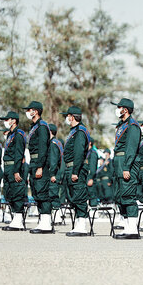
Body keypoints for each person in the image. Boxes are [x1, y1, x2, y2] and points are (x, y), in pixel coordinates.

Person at [112, 98, 142, 239]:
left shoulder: (132, 125)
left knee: (128, 195)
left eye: (119, 107)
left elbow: (131, 147)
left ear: (125, 109)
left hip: (126, 163)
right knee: (120, 196)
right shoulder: (122, 125)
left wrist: (126, 167)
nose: (117, 109)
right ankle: (126, 227)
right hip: (119, 162)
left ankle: (133, 229)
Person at [22, 101, 54, 234]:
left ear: (35, 111)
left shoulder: (41, 126)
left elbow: (42, 148)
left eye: (30, 110)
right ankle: (42, 221)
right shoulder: (34, 126)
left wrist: (40, 166)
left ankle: (46, 223)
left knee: (42, 193)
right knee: (36, 192)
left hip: (39, 163)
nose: (28, 112)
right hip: (34, 162)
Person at [61, 106, 92, 237]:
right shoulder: (74, 131)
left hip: (76, 168)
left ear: (72, 117)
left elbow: (79, 153)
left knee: (79, 196)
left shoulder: (80, 131)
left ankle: (82, 226)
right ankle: (78, 224)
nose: (67, 119)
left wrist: (75, 171)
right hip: (71, 167)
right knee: (74, 196)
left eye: (68, 116)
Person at [0, 111, 28, 231]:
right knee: (9, 192)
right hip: (7, 167)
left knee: (17, 192)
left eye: (8, 119)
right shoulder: (11, 134)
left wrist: (16, 171)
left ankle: (18, 220)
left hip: (14, 167)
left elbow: (19, 153)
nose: (6, 121)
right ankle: (15, 219)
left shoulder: (18, 134)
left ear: (14, 120)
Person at [48, 124, 64, 216]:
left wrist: (52, 174)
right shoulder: (56, 142)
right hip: (56, 172)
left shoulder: (53, 144)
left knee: (53, 194)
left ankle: (57, 216)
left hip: (54, 173)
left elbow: (53, 161)